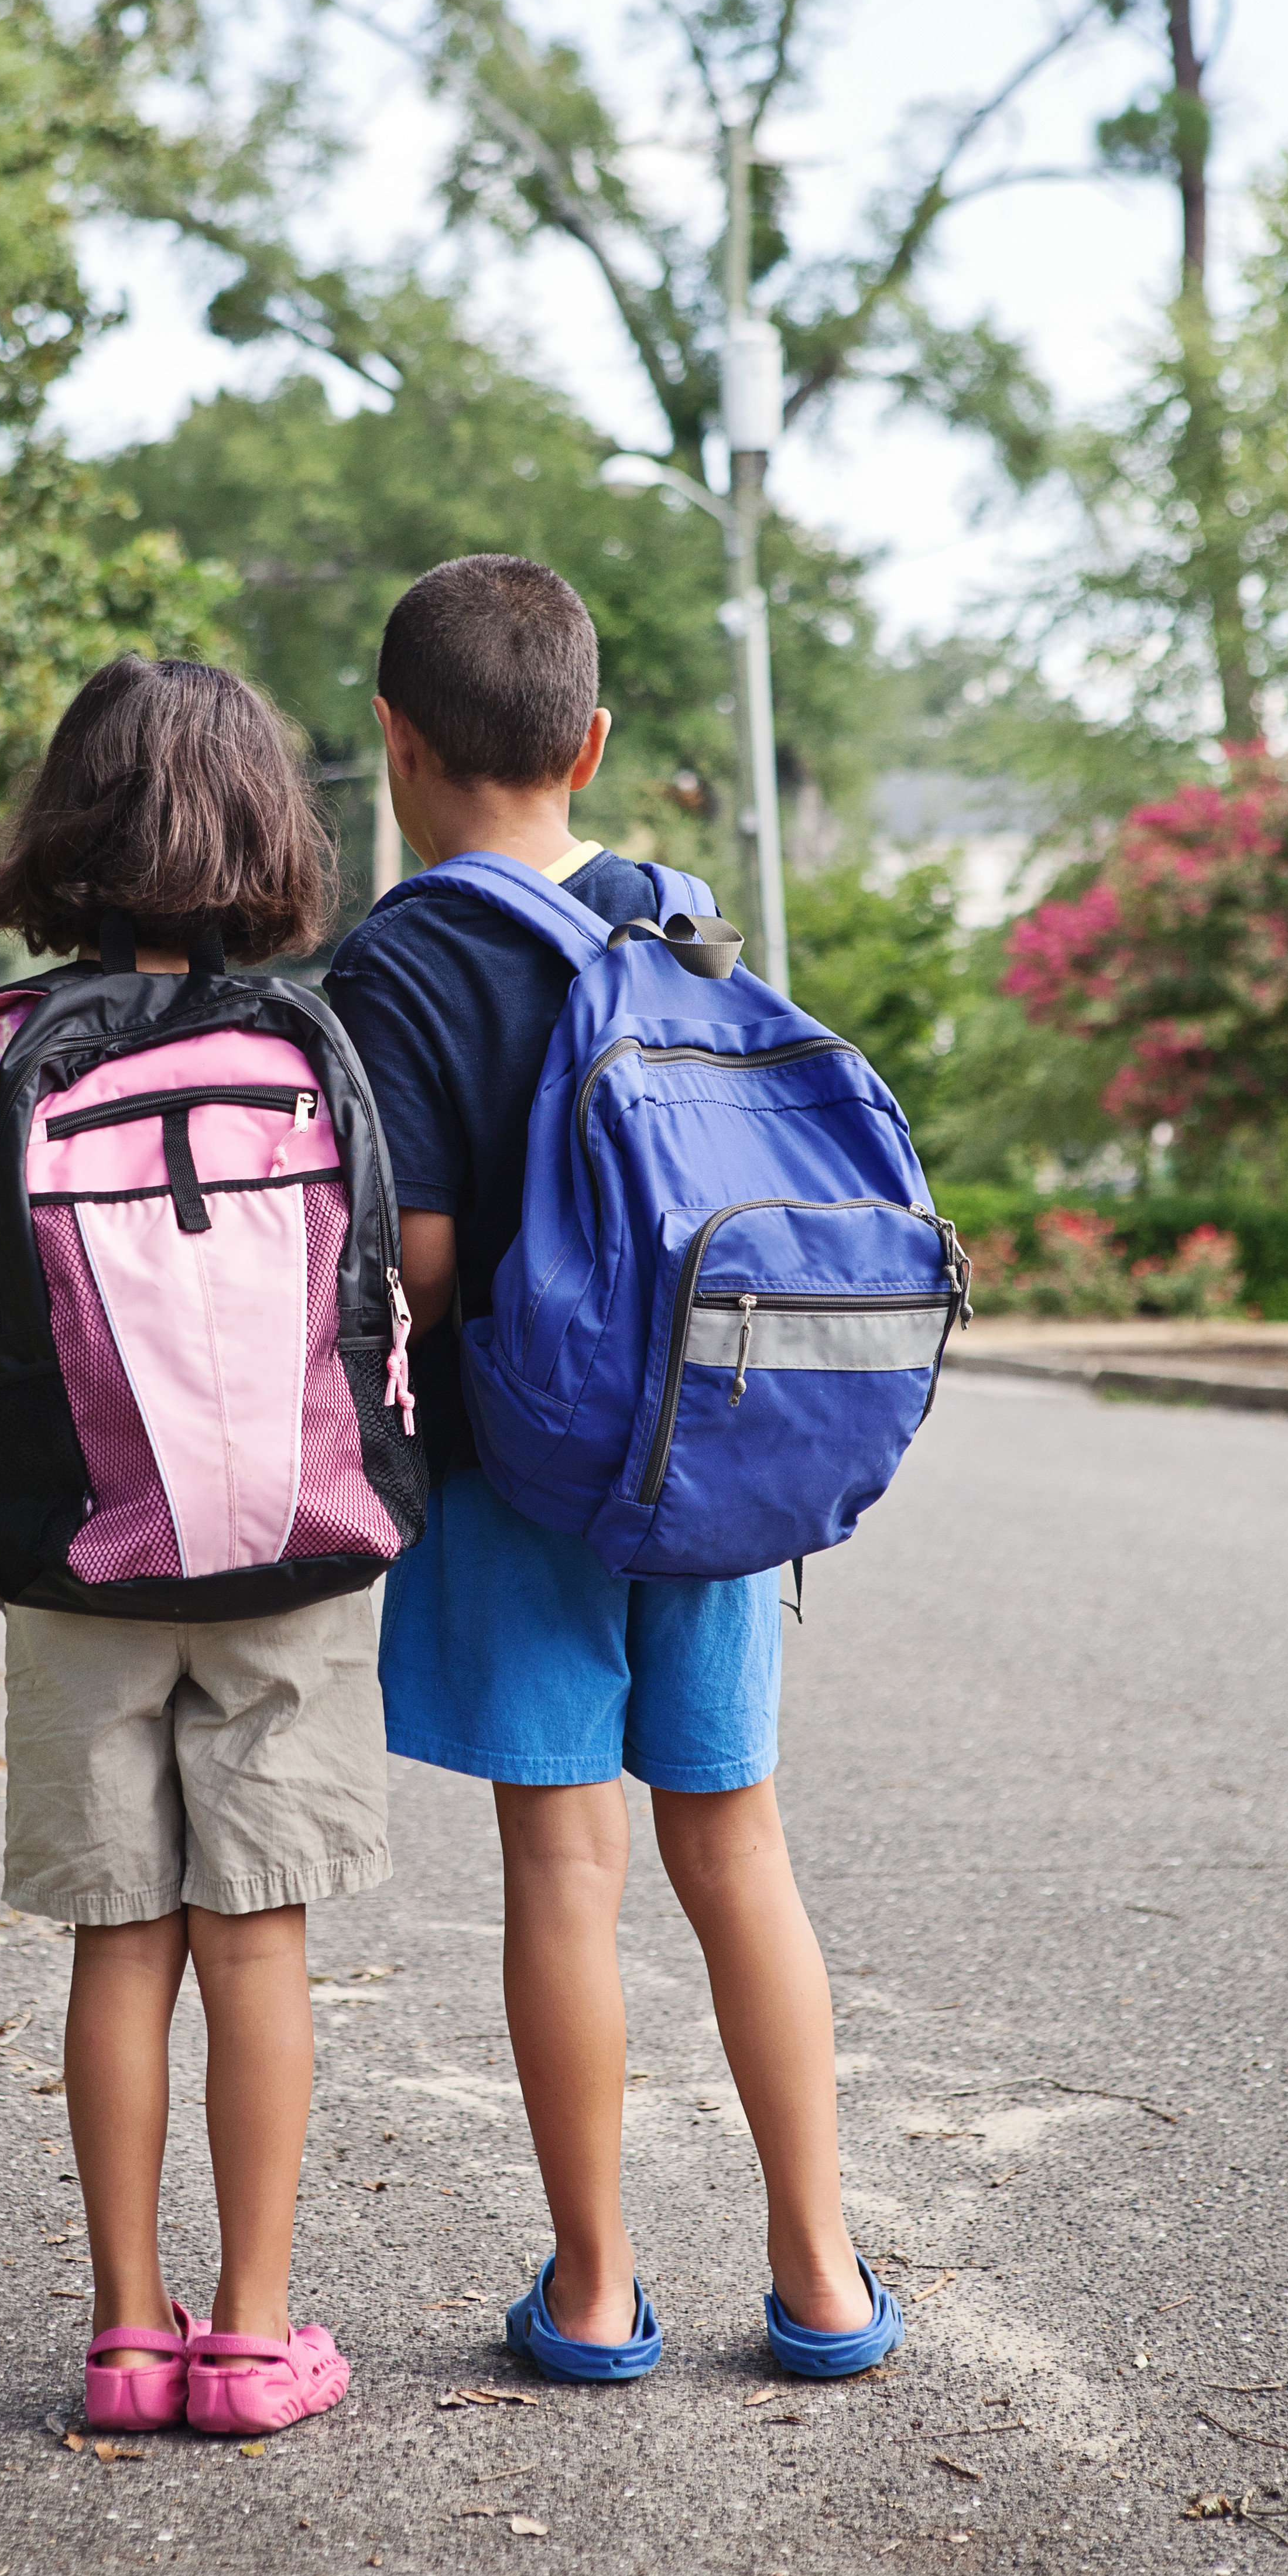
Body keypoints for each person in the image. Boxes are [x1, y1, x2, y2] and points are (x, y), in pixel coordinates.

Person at [324, 555, 902, 2384]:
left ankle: (592, 2287)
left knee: (563, 1865)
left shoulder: (399, 958)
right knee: (738, 1848)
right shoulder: (683, 918)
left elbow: (414, 1262)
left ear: (398, 745)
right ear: (589, 741)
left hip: (520, 1468)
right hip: (714, 1458)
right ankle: (820, 2275)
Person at [0, 656, 388, 2437]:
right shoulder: (314, 1041)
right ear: (267, 833)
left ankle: (131, 2332)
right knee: (260, 1933)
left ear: (63, 827)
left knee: (119, 1938)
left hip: (81, 1555)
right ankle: (258, 2333)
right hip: (292, 1556)